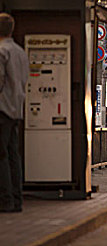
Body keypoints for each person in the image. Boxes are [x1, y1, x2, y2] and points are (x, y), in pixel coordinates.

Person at [0, 13, 29, 213]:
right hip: (16, 109)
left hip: (2, 109)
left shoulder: (2, 51)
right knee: (13, 155)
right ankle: (16, 199)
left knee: (1, 155)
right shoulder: (20, 52)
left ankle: (5, 200)